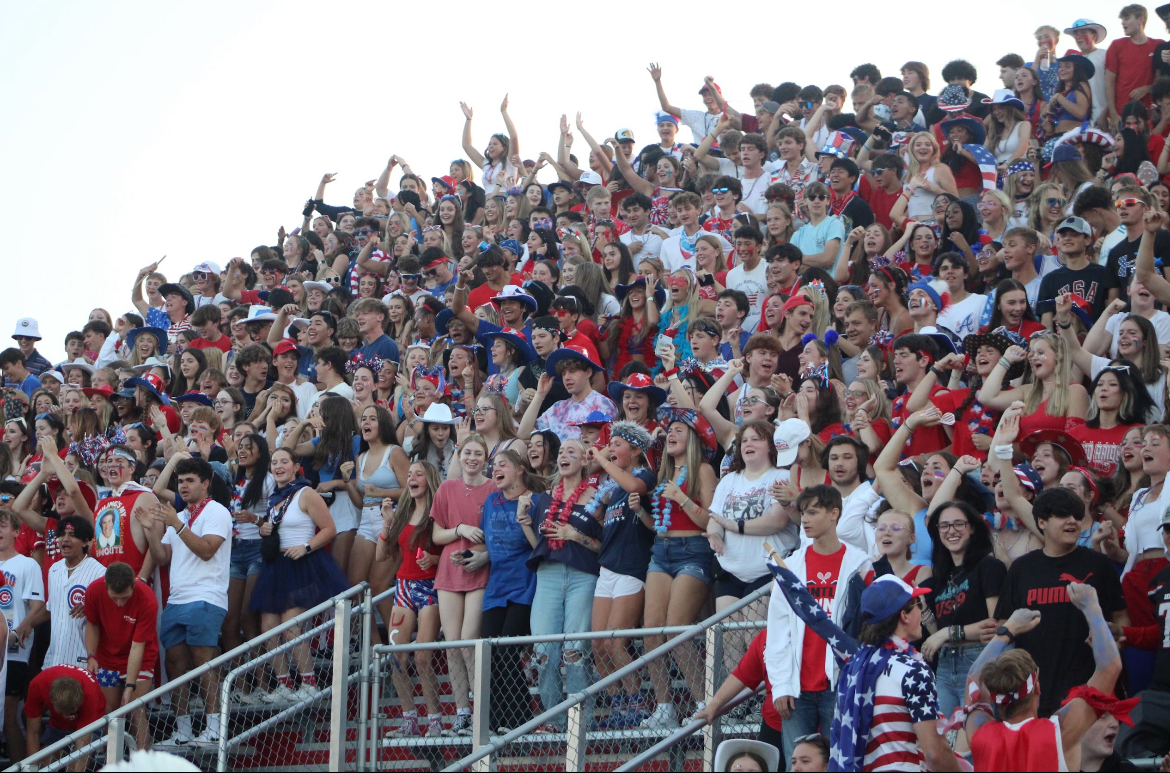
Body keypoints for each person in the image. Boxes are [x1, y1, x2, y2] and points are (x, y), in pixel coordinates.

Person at [765, 552, 962, 772]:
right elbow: (935, 753)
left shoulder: (853, 667)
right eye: (916, 604)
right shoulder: (913, 670)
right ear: (904, 616)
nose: (920, 610)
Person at [992, 404, 1129, 716]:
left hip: (1085, 694)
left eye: (1076, 516)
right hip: (1032, 696)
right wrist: (1003, 448)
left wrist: (1113, 634)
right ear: (1041, 522)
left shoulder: (1099, 564)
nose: (1071, 522)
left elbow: (1122, 620)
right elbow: (1004, 626)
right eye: (1062, 516)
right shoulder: (1023, 569)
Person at [964, 583, 1126, 772]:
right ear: (1037, 687)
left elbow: (974, 680)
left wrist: (1007, 629)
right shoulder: (1059, 732)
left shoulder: (980, 734)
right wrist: (1091, 606)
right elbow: (1110, 667)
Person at [765, 485, 871, 762]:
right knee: (798, 765)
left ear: (834, 513)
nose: (806, 519)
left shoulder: (860, 563)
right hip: (797, 688)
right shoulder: (790, 566)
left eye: (813, 512)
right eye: (803, 513)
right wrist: (781, 685)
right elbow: (777, 632)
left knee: (844, 762)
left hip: (842, 683)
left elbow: (866, 627)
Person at [146, 456, 232, 748]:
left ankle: (214, 728)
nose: (183, 485)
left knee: (203, 661)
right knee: (174, 663)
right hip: (177, 599)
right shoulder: (179, 516)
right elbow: (162, 558)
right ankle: (182, 731)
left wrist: (176, 525)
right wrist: (150, 531)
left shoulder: (218, 512)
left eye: (190, 480)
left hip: (207, 595)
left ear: (205, 484)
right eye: (180, 481)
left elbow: (207, 550)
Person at [251, 447, 348, 702]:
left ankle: (309, 683)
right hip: (277, 565)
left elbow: (329, 529)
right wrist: (265, 530)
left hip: (301, 563)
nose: (278, 466)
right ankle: (284, 685)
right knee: (268, 628)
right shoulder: (275, 498)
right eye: (274, 462)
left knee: (290, 626)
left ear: (296, 467)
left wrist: (305, 547)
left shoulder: (306, 493)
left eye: (284, 461)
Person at [429, 434, 494, 736]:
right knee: (453, 644)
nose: (472, 458)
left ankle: (480, 707)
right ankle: (462, 712)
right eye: (467, 452)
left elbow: (499, 534)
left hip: (480, 568)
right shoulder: (446, 487)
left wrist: (481, 552)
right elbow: (436, 536)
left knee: (470, 640)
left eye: (478, 453)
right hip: (449, 570)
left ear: (486, 457)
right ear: (460, 455)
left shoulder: (494, 488)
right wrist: (460, 529)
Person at [377, 461, 445, 738]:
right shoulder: (403, 511)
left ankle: (435, 720)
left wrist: (435, 558)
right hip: (404, 586)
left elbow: (452, 551)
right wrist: (387, 522)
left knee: (423, 658)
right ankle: (410, 719)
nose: (412, 478)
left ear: (429, 479)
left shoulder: (439, 512)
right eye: (409, 474)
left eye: (418, 473)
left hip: (431, 588)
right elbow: (382, 555)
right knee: (395, 658)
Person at [84, 561, 158, 752]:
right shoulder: (93, 590)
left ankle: (142, 763)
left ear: (134, 585)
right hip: (107, 658)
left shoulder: (147, 598)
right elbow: (92, 625)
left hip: (141, 657)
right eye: (114, 597)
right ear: (106, 586)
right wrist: (91, 656)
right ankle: (112, 760)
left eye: (124, 598)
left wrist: (130, 686)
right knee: (111, 711)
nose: (119, 603)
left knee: (136, 708)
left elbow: (137, 647)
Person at [0, 509, 45, 763]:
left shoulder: (27, 563)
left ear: (17, 531)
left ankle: (22, 768)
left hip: (14, 651)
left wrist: (18, 631)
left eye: (3, 526)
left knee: (9, 718)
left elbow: (37, 605)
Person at [41, 516, 104, 672]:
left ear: (85, 542)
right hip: (53, 659)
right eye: (62, 534)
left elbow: (110, 614)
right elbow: (52, 609)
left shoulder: (100, 573)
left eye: (72, 535)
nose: (65, 539)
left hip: (82, 661)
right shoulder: (54, 570)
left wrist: (91, 607)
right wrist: (27, 624)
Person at [23, 664, 104, 772]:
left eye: (71, 712)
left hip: (90, 722)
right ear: (50, 701)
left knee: (74, 767)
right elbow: (33, 732)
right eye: (63, 712)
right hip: (58, 726)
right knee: (45, 763)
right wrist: (31, 769)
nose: (67, 717)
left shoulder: (90, 694)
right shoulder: (37, 685)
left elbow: (83, 741)